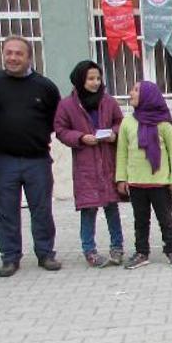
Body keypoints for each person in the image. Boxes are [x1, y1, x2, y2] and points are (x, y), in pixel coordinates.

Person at [0, 35, 61, 277]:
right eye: (8, 53)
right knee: (6, 211)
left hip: (37, 159)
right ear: (3, 54)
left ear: (29, 57)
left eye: (19, 53)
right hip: (3, 160)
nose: (13, 58)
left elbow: (54, 119)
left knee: (42, 210)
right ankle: (10, 258)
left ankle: (45, 253)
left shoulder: (44, 86)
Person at [54, 61, 124, 267]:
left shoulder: (108, 101)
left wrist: (114, 134)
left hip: (107, 163)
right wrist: (80, 138)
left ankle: (117, 246)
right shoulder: (68, 105)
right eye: (90, 79)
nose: (95, 83)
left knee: (112, 207)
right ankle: (89, 249)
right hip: (86, 166)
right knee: (89, 209)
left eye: (98, 78)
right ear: (80, 80)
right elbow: (60, 129)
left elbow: (120, 122)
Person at [116, 81, 172, 269]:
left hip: (160, 183)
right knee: (140, 221)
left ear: (149, 95)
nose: (131, 93)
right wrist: (121, 178)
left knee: (166, 219)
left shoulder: (164, 124)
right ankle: (141, 252)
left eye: (136, 90)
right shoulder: (127, 122)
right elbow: (121, 152)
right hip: (136, 183)